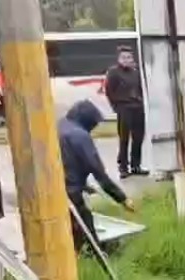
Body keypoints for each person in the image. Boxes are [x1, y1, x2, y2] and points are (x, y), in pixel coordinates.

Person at [59, 100, 136, 253]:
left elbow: (67, 163)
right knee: (85, 226)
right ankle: (98, 256)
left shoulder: (60, 126)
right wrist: (122, 199)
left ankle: (79, 255)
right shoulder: (80, 136)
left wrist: (85, 186)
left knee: (69, 229)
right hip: (70, 193)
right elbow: (99, 173)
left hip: (56, 189)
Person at [105, 46, 148, 178]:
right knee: (124, 138)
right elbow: (109, 91)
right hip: (124, 108)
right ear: (119, 59)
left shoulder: (135, 72)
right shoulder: (113, 72)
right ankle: (123, 167)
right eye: (124, 57)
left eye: (129, 57)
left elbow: (141, 89)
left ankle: (136, 165)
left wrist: (141, 102)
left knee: (138, 138)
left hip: (137, 107)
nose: (127, 60)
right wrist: (116, 107)